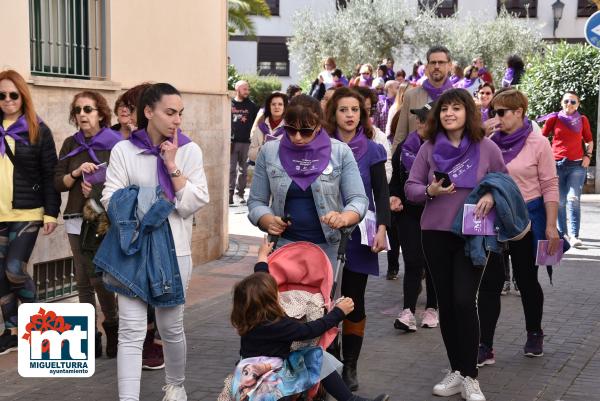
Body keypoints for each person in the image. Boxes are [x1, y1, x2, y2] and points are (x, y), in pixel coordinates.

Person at [100, 83, 209, 400]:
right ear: (148, 112)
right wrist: (156, 203)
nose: (177, 120)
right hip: (131, 248)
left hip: (175, 252)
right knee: (131, 330)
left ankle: (175, 386)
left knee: (170, 326)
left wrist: (172, 165)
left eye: (180, 113)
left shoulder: (189, 150)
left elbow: (192, 202)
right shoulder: (124, 150)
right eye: (170, 112)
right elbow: (110, 198)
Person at [405, 89, 507, 401]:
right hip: (434, 234)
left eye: (456, 108)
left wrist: (490, 194)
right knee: (447, 305)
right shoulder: (428, 148)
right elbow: (411, 188)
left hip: (473, 235)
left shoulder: (486, 147)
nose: (450, 113)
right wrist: (431, 190)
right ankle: (458, 371)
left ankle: (471, 377)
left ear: (468, 113)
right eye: (444, 109)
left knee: (465, 301)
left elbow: (504, 182)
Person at [230, 246, 389, 401]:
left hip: (253, 374)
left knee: (315, 356)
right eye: (275, 291)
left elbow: (260, 277)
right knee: (316, 358)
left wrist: (262, 257)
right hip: (266, 386)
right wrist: (338, 312)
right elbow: (310, 330)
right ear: (270, 300)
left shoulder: (250, 316)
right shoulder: (276, 325)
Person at [477, 88, 560, 368]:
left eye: (501, 113)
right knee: (489, 283)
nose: (496, 118)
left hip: (528, 218)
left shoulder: (538, 143)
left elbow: (549, 185)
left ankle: (534, 332)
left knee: (526, 280)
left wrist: (551, 225)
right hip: (494, 218)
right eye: (493, 113)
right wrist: (481, 133)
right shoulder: (489, 142)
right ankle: (484, 345)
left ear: (518, 112)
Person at [247, 94, 368, 268]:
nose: (297, 137)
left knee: (325, 296)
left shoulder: (340, 152)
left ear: (318, 126)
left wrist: (343, 218)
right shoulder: (269, 151)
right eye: (290, 129)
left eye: (305, 131)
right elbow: (256, 201)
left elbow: (358, 199)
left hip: (327, 248)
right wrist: (267, 219)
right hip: (282, 246)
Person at [325, 87, 391, 391]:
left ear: (362, 114)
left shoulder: (374, 149)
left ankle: (350, 365)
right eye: (343, 110)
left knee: (354, 299)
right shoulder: (321, 146)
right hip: (325, 233)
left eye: (355, 110)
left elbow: (381, 193)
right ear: (333, 114)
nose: (350, 115)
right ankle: (330, 362)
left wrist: (383, 228)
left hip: (361, 234)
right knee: (325, 301)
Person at [54, 91, 121, 358]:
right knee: (82, 280)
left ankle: (113, 326)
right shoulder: (71, 144)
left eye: (88, 109)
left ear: (101, 114)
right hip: (74, 217)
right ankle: (90, 335)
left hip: (100, 217)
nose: (82, 114)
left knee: (97, 276)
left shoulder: (114, 143)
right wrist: (76, 172)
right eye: (78, 110)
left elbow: (122, 181)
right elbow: (57, 182)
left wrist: (94, 188)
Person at [0, 70, 60, 355]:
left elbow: (50, 174)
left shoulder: (37, 129)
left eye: (13, 94)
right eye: (2, 95)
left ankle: (39, 322)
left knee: (14, 270)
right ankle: (11, 331)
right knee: (0, 275)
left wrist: (51, 213)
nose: (8, 100)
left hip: (27, 212)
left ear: (23, 95)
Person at [116, 82, 166, 370]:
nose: (128, 115)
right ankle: (139, 344)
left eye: (131, 109)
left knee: (155, 288)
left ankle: (153, 342)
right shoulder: (120, 142)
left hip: (157, 229)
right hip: (127, 228)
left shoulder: (174, 145)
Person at [389, 103, 438, 331]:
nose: (420, 123)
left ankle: (432, 309)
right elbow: (395, 182)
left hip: (435, 211)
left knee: (432, 262)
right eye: (418, 118)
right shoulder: (404, 148)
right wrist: (394, 197)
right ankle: (408, 311)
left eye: (425, 119)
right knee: (412, 261)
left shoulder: (443, 148)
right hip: (408, 213)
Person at [539, 91, 594, 248]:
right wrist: (546, 157)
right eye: (566, 101)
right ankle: (563, 234)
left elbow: (589, 141)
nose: (569, 104)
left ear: (578, 104)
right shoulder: (554, 118)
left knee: (573, 198)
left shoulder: (582, 120)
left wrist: (588, 156)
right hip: (556, 165)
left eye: (573, 102)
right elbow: (541, 138)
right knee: (560, 202)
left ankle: (574, 236)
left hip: (576, 165)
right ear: (561, 102)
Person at [392, 45, 454, 153]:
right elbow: (400, 134)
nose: (437, 66)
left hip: (449, 163)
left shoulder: (460, 98)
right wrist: (396, 163)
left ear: (449, 66)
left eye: (441, 62)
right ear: (427, 66)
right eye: (433, 62)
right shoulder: (411, 96)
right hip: (414, 162)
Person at [230, 80, 259, 205]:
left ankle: (240, 195)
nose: (247, 92)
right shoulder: (229, 104)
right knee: (231, 169)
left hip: (246, 142)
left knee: (243, 170)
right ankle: (229, 195)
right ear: (237, 89)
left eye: (248, 89)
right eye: (244, 89)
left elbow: (257, 122)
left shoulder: (252, 106)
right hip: (231, 142)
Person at [355, 86, 392, 181]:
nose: (364, 114)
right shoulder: (337, 137)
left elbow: (387, 173)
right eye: (357, 109)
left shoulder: (378, 136)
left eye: (367, 109)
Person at [249, 92, 288, 163]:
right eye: (273, 104)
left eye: (280, 104)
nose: (276, 107)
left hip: (281, 171)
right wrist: (262, 149)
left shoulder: (290, 129)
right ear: (269, 107)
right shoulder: (260, 127)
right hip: (262, 171)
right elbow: (251, 155)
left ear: (284, 107)